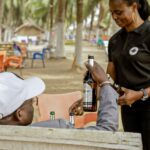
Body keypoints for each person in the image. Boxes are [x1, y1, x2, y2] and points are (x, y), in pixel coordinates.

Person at [0, 62, 119, 131]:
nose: (35, 103)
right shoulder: (52, 129)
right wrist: (105, 84)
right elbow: (106, 131)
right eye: (30, 102)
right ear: (20, 114)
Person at [107, 0, 150, 149]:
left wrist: (140, 94)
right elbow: (110, 77)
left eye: (118, 12)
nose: (114, 16)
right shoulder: (114, 41)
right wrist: (89, 95)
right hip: (128, 109)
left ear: (134, 6)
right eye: (111, 12)